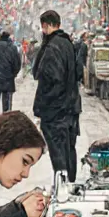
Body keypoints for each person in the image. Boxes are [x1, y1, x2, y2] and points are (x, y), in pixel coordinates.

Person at [32, 10, 81, 182]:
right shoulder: (68, 44)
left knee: (59, 153)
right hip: (71, 108)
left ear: (45, 25)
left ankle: (63, 190)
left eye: (42, 27)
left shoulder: (52, 47)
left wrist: (43, 107)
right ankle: (70, 186)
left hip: (57, 110)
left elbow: (50, 80)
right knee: (69, 149)